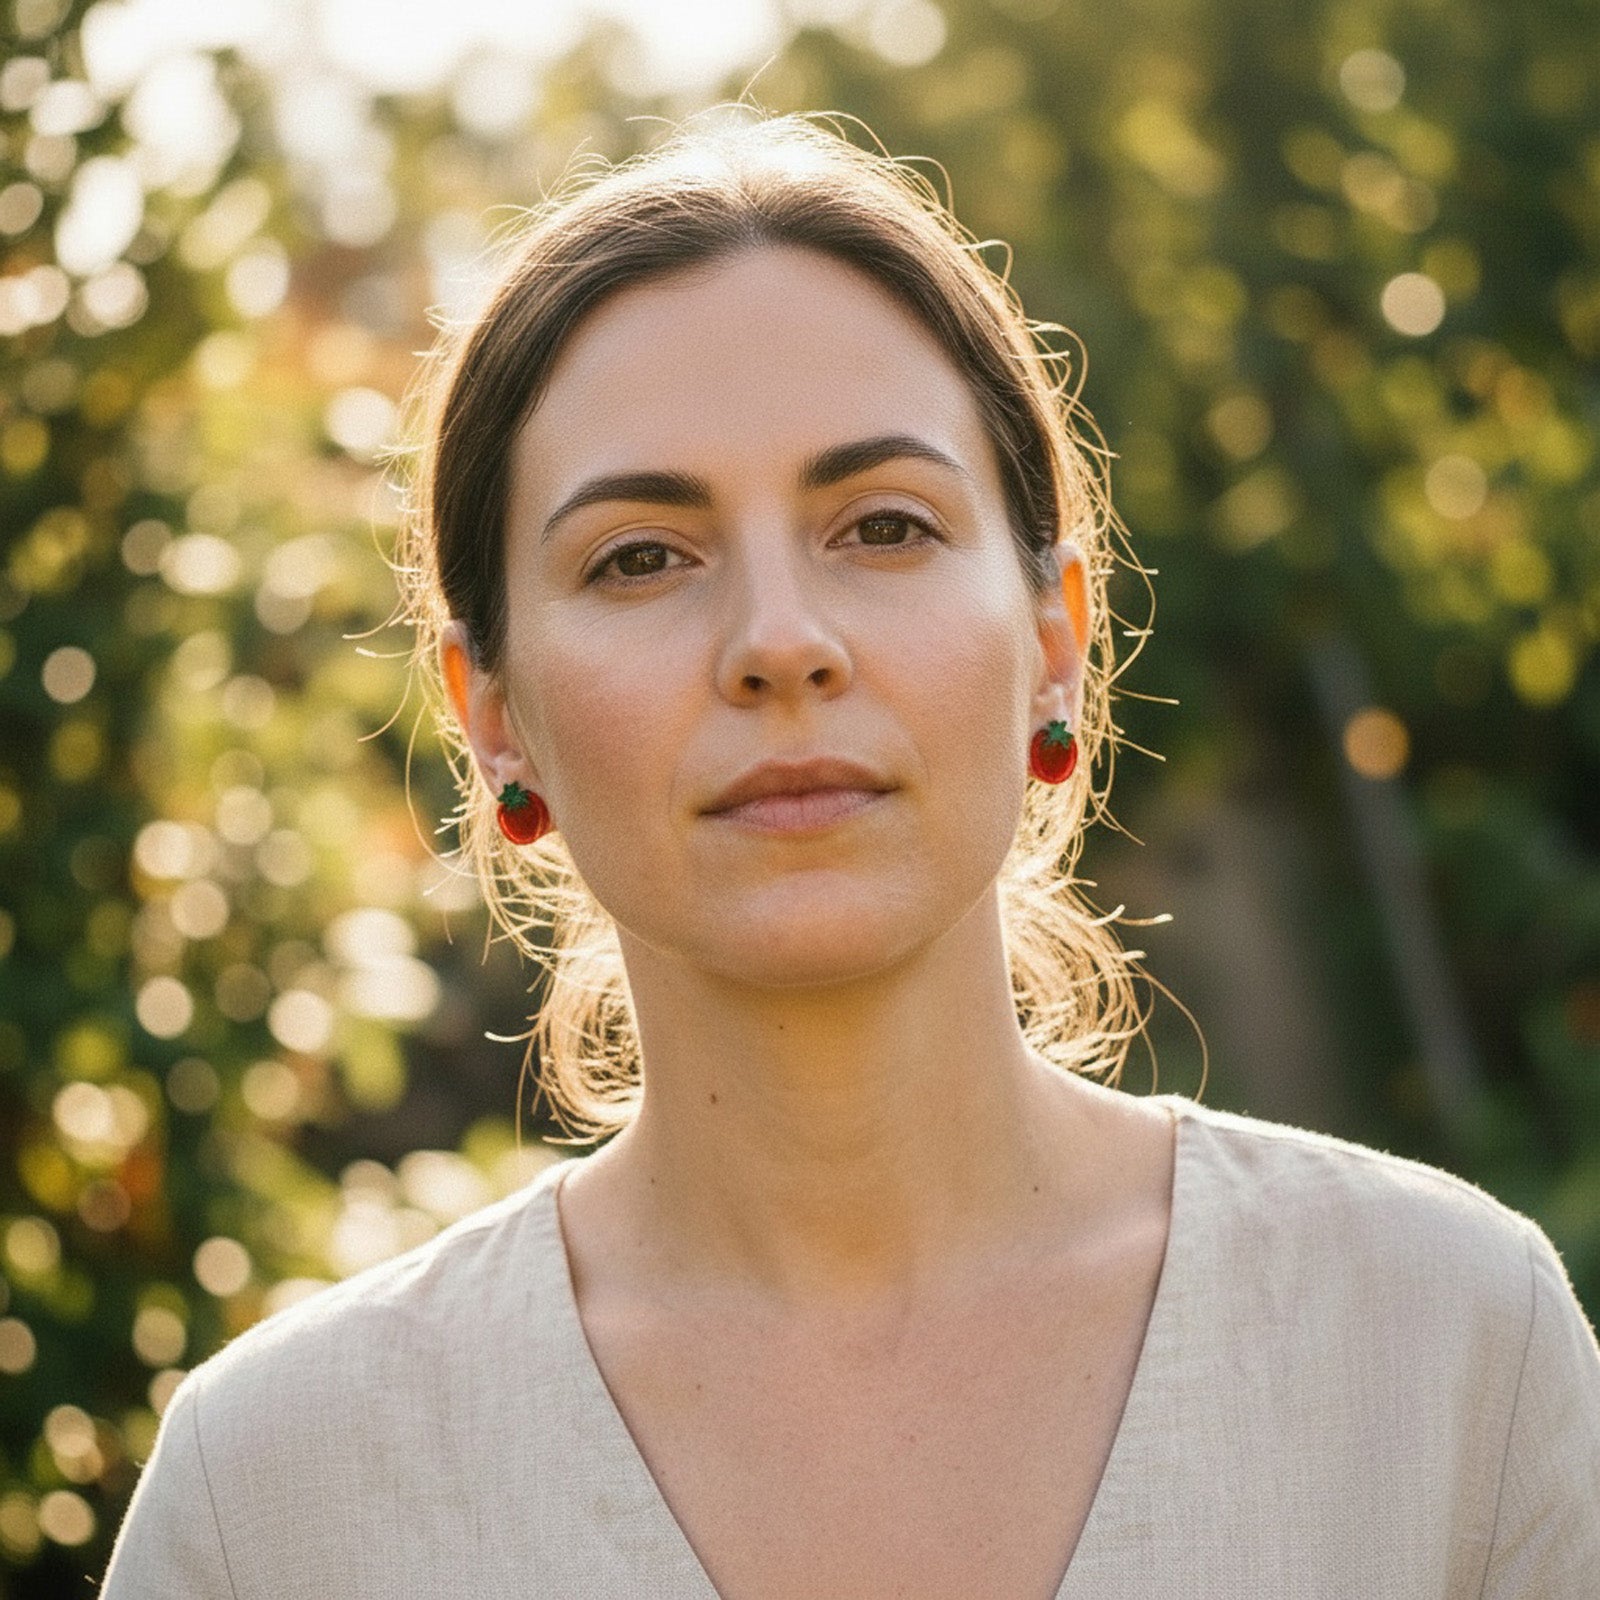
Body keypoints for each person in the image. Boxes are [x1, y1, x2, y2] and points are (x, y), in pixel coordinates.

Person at [99, 108, 1600, 1598]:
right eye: (640, 557)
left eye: (883, 527)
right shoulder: (270, 1498)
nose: (780, 642)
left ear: (1055, 639)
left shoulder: (1453, 1352)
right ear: (491, 713)